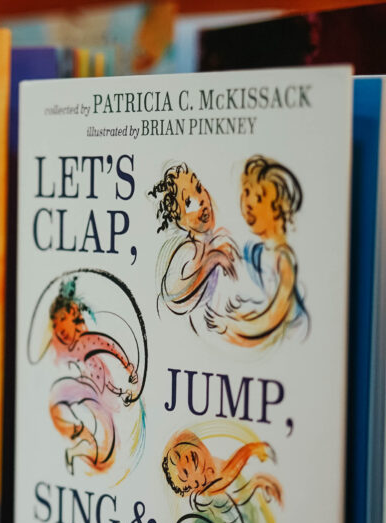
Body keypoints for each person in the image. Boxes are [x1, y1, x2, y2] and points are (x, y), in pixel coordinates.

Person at [205, 155, 309, 347]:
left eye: (259, 198)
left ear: (280, 209)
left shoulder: (283, 260)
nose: (248, 203)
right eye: (246, 192)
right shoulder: (254, 251)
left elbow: (274, 317)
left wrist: (233, 326)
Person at [46, 278, 140, 474]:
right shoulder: (68, 350)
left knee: (105, 452)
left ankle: (75, 450)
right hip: (85, 390)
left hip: (99, 397)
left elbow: (110, 346)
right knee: (57, 394)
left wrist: (129, 368)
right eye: (55, 325)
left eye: (62, 320)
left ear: (73, 314)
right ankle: (78, 430)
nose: (59, 329)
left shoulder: (89, 340)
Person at [149, 163, 238, 323]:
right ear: (180, 220)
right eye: (189, 203)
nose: (201, 201)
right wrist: (211, 261)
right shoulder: (189, 250)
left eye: (198, 189)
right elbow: (170, 293)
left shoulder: (217, 241)